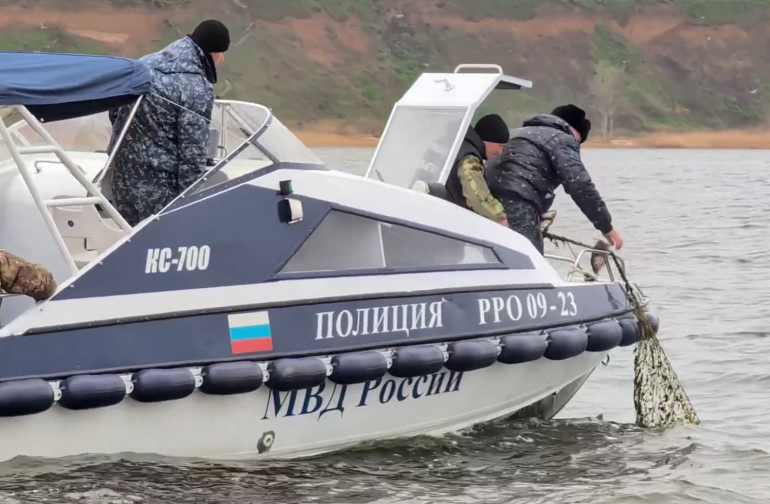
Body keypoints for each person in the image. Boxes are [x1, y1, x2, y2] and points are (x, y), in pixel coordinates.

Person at [107, 20, 231, 226]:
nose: (222, 59)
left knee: (130, 240)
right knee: (159, 242)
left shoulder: (143, 64)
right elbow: (193, 150)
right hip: (161, 186)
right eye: (221, 53)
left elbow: (114, 111)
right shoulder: (195, 85)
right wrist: (190, 200)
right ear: (212, 52)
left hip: (123, 176)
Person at [485, 104, 624, 254]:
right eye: (578, 141)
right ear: (573, 131)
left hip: (485, 202)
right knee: (528, 259)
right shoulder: (563, 139)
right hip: (517, 203)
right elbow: (579, 184)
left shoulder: (515, 133)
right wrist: (606, 226)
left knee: (494, 256)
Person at [445, 114, 510, 226]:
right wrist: (499, 217)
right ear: (489, 140)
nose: (500, 151)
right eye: (500, 145)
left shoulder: (450, 144)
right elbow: (477, 196)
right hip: (447, 220)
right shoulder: (469, 158)